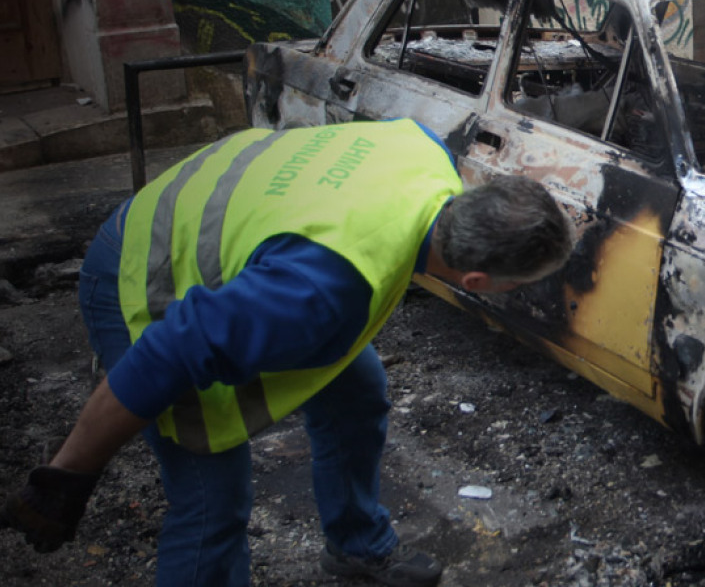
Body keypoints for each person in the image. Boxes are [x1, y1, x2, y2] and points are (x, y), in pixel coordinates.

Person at [0, 119, 573, 587]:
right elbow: (163, 356)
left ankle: (356, 546)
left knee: (358, 391)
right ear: (475, 282)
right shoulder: (320, 292)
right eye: (516, 286)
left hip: (214, 217)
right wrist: (67, 474)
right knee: (211, 500)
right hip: (142, 265)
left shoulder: (423, 149)